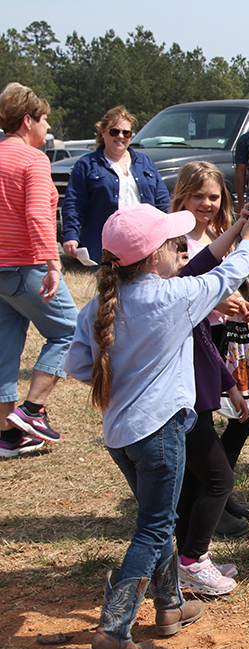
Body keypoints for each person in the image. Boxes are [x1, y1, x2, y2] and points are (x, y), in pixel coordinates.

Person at [65, 203, 249, 649]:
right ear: (155, 255)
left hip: (121, 435)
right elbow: (222, 277)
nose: (181, 247)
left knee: (159, 521)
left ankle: (170, 606)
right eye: (172, 243)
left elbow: (79, 364)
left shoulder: (100, 304)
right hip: (160, 433)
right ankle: (114, 629)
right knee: (154, 529)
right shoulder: (170, 300)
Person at [172, 161, 249, 537]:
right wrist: (218, 301)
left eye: (213, 196)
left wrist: (238, 301)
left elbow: (222, 277)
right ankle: (207, 500)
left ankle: (218, 493)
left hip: (219, 339)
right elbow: (188, 282)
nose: (207, 204)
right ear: (182, 197)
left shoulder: (215, 234)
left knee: (244, 415)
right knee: (203, 423)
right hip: (193, 342)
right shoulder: (175, 239)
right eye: (199, 196)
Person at [0, 83, 79, 458]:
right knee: (70, 330)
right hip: (26, 264)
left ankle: (8, 437)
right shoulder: (33, 160)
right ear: (28, 120)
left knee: (4, 351)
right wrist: (51, 263)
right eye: (45, 119)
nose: (47, 127)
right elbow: (35, 213)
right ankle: (32, 411)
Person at [62, 106, 171, 265]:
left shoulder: (145, 163)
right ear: (103, 132)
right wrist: (70, 235)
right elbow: (74, 203)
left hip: (145, 243)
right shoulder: (86, 165)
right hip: (105, 247)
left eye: (126, 133)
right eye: (114, 131)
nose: (120, 136)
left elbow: (162, 201)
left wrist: (170, 232)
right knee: (108, 289)